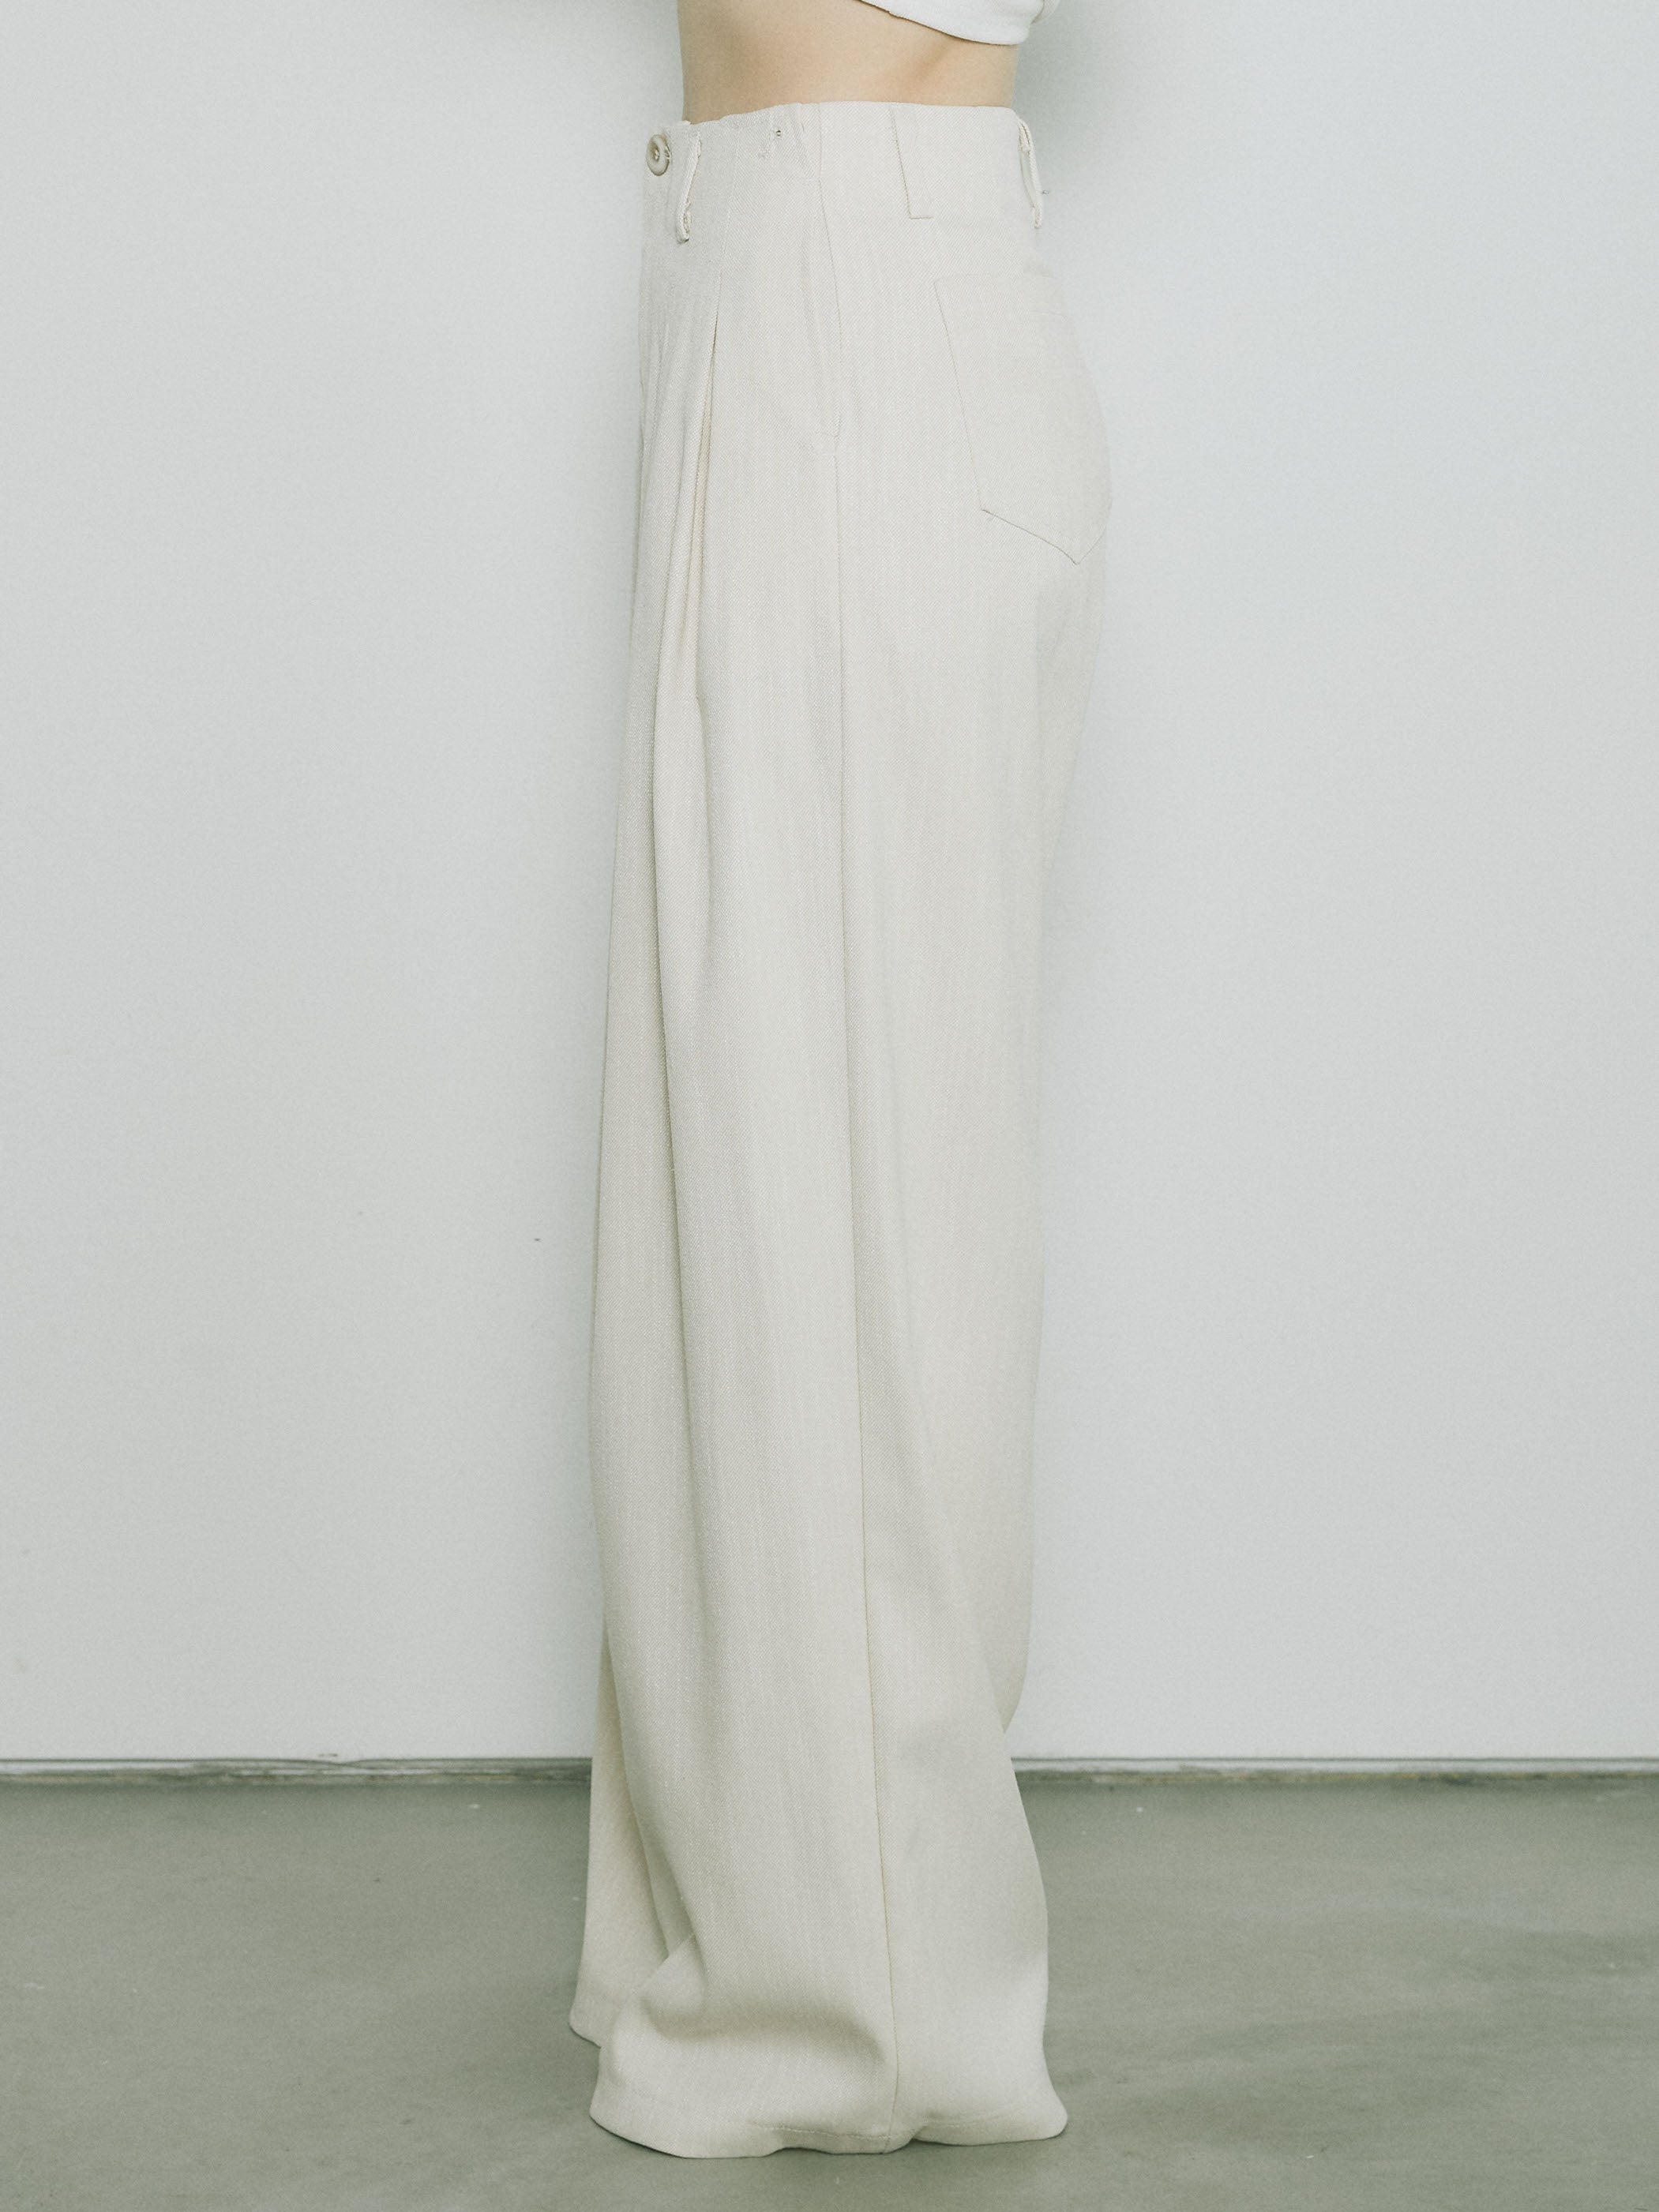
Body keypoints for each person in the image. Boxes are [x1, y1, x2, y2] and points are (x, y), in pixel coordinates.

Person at [569, 0, 1109, 2158]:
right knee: (732, 1202)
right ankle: (739, 1939)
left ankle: (866, 2016)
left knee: (843, 1218)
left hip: (862, 308)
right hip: (781, 281)